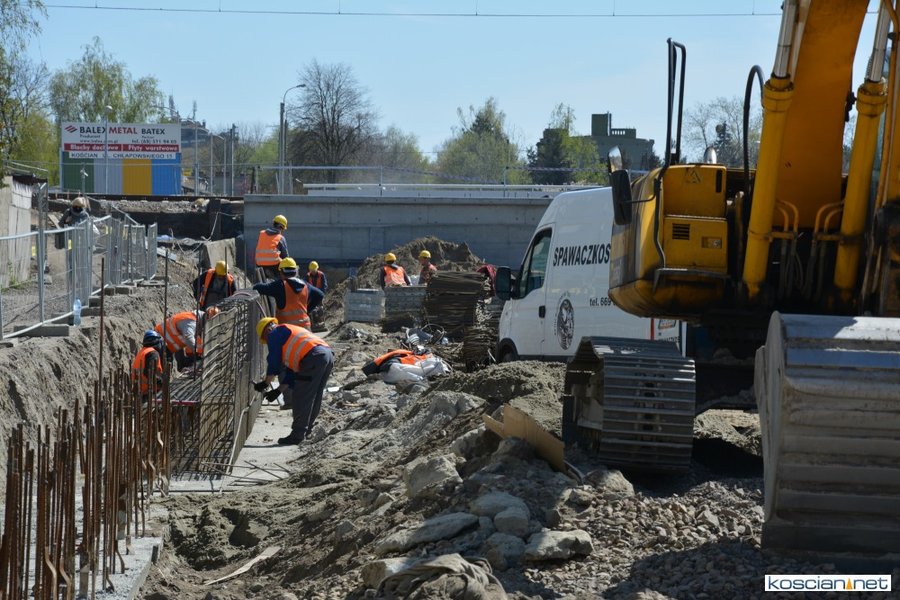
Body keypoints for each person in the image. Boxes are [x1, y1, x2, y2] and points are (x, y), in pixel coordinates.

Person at [254, 318, 334, 445]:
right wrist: (278, 391)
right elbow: (292, 373)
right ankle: (306, 431)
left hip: (313, 357)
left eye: (265, 338)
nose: (267, 341)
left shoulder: (274, 334)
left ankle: (297, 436)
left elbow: (274, 361)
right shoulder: (289, 333)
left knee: (301, 396)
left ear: (267, 330)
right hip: (327, 355)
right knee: (314, 395)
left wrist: (265, 382)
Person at [254, 257, 324, 329]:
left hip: (287, 331)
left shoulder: (280, 285)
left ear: (281, 272)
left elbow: (259, 288)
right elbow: (320, 295)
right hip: (305, 328)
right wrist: (308, 309)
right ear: (295, 271)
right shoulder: (305, 285)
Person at [154, 307, 219, 371]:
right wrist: (197, 351)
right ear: (207, 317)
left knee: (175, 365)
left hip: (170, 345)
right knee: (161, 370)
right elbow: (188, 337)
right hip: (159, 340)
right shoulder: (191, 321)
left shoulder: (199, 320)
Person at [131, 330, 165, 401]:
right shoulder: (152, 353)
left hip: (140, 391)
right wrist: (162, 384)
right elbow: (149, 374)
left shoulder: (142, 352)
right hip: (148, 392)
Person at [254, 214, 289, 281]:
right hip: (275, 266)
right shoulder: (280, 238)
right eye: (283, 229)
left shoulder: (261, 234)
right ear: (281, 227)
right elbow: (285, 257)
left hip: (259, 265)